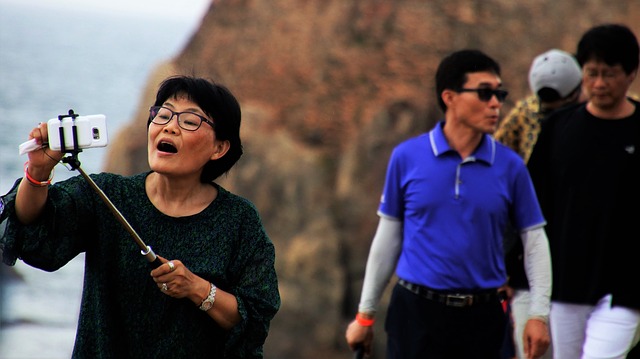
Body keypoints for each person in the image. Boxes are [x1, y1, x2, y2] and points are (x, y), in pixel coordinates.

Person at [0, 76, 281, 358]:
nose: (169, 126)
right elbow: (31, 225)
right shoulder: (108, 194)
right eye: (164, 114)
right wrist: (38, 172)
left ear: (219, 148)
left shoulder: (239, 220)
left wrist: (196, 288)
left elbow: (253, 317)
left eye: (190, 121)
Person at [345, 49, 552, 359]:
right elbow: (388, 238)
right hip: (415, 314)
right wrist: (365, 315)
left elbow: (534, 241)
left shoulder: (510, 167)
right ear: (450, 97)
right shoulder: (406, 157)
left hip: (483, 318)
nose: (496, 103)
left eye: (499, 93)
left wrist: (539, 315)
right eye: (485, 93)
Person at [527, 23, 640, 358]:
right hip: (566, 280)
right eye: (591, 73)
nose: (599, 83)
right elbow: (532, 205)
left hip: (626, 285)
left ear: (631, 73)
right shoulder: (558, 128)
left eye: (610, 73)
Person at [494, 48, 584, 359]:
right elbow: (497, 158)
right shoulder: (525, 113)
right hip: (528, 228)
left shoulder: (589, 119)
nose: (550, 109)